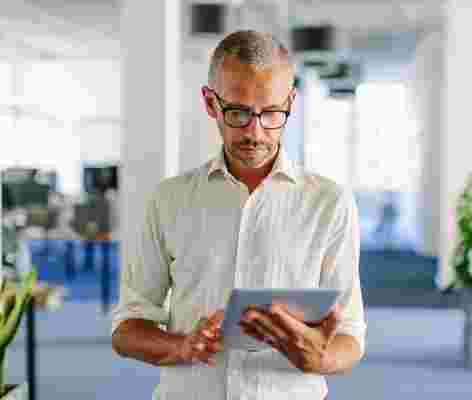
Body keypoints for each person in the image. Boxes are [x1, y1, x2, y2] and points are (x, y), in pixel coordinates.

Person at [111, 30, 366, 400]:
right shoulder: (170, 200)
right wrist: (183, 346)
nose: (254, 132)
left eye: (271, 113)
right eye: (237, 113)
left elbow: (350, 337)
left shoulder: (329, 203)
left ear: (291, 103)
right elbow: (127, 330)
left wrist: (320, 358)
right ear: (210, 102)